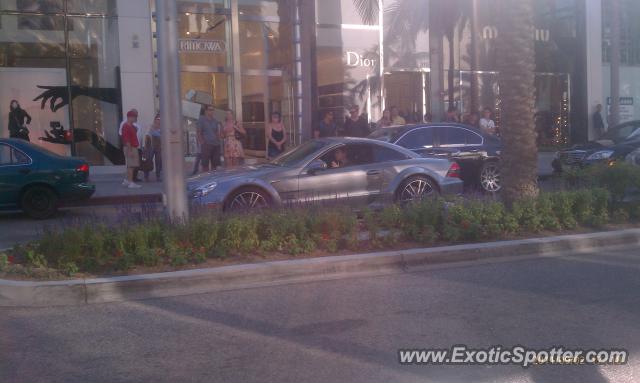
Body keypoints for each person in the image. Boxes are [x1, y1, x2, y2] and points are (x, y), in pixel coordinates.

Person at [119, 108, 142, 182]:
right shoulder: (126, 126)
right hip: (130, 148)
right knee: (131, 166)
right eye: (135, 116)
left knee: (132, 166)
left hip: (134, 147)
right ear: (130, 117)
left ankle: (128, 180)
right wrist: (130, 150)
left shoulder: (132, 126)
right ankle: (130, 181)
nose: (136, 118)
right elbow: (127, 140)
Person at [197, 105, 222, 172]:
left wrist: (219, 140)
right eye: (210, 110)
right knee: (205, 165)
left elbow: (217, 132)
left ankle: (213, 180)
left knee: (215, 165)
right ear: (206, 111)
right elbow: (199, 132)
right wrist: (202, 143)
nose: (211, 111)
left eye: (212, 110)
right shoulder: (202, 119)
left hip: (216, 145)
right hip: (206, 144)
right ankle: (206, 179)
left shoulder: (215, 121)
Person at [148, 113, 162, 181]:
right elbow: (151, 134)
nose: (159, 120)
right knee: (148, 160)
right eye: (158, 119)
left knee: (158, 162)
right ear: (155, 119)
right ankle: (146, 176)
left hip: (159, 147)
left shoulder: (162, 127)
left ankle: (158, 176)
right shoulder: (152, 126)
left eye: (160, 119)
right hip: (151, 146)